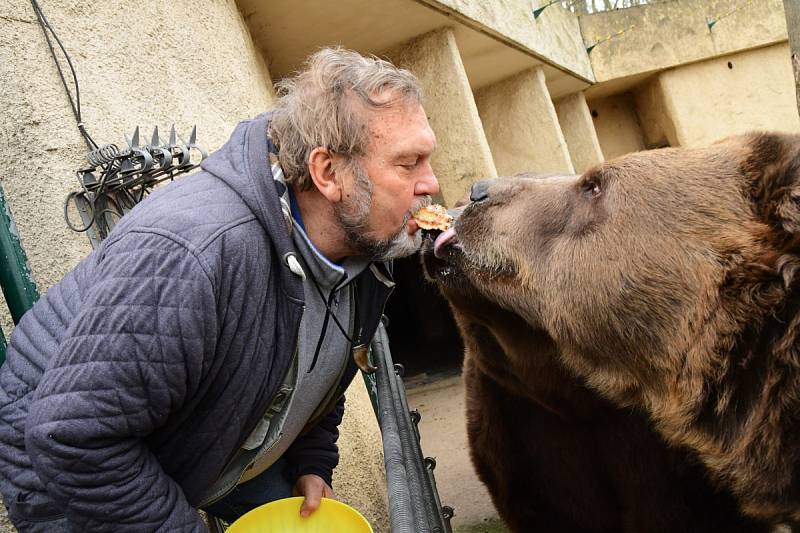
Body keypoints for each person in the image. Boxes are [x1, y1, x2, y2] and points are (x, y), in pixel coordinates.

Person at [0, 47, 439, 532]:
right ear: (328, 173)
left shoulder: (368, 248)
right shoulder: (197, 251)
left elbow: (324, 362)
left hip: (208, 439)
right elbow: (71, 436)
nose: (431, 184)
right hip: (69, 470)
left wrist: (311, 461)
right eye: (408, 164)